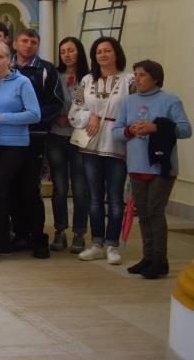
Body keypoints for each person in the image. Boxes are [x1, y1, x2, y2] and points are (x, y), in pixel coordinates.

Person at [114, 60, 191, 279]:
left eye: (142, 75)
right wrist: (130, 129)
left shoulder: (170, 100)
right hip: (136, 165)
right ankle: (147, 257)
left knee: (155, 212)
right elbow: (117, 132)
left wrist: (155, 127)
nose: (136, 79)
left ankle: (160, 260)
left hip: (161, 167)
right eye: (135, 75)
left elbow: (186, 129)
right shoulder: (128, 101)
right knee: (144, 213)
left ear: (155, 78)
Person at [69, 36, 133, 264]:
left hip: (117, 145)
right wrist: (90, 115)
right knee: (94, 197)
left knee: (115, 197)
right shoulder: (85, 81)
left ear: (116, 53)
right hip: (91, 145)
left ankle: (112, 245)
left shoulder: (129, 80)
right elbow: (74, 110)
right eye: (98, 52)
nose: (103, 55)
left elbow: (136, 109)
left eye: (107, 50)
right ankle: (97, 243)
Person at [0, 41, 40, 263]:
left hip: (14, 145)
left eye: (0, 57)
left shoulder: (22, 82)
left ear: (9, 58)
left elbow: (34, 114)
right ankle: (2, 241)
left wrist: (0, 117)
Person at [10, 28, 61, 258]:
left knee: (31, 189)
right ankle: (20, 235)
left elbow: (56, 103)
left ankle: (38, 237)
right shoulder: (6, 67)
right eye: (24, 40)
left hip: (35, 136)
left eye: (33, 41)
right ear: (15, 43)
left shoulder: (46, 69)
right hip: (8, 137)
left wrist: (32, 117)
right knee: (13, 187)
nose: (28, 45)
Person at [47, 37, 90, 253]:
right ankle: (60, 230)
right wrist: (57, 117)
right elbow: (47, 101)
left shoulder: (86, 78)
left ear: (79, 52)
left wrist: (71, 119)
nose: (67, 55)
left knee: (80, 188)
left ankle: (79, 233)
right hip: (56, 136)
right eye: (63, 51)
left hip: (79, 138)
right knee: (60, 188)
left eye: (71, 50)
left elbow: (82, 104)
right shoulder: (55, 75)